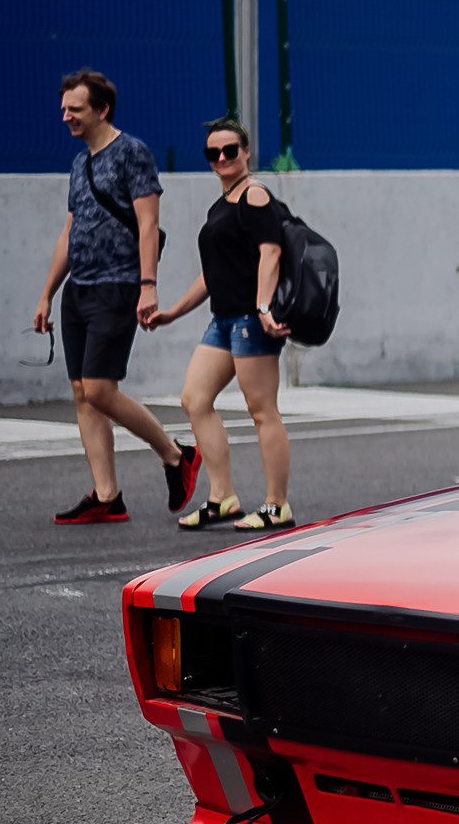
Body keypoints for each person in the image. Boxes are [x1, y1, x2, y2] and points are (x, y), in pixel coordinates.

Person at [31, 69, 197, 524]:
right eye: (64, 108)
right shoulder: (78, 163)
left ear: (102, 109)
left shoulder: (132, 153)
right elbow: (71, 230)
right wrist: (48, 292)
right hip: (79, 290)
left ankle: (175, 455)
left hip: (119, 284)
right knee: (83, 393)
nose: (65, 116)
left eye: (75, 109)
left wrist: (148, 284)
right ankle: (107, 495)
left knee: (101, 389)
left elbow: (147, 223)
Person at [149, 118, 297, 531]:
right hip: (224, 319)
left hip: (253, 319)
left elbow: (271, 254)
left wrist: (265, 307)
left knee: (261, 409)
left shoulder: (254, 195)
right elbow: (212, 274)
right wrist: (173, 312)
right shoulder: (222, 204)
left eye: (230, 150)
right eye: (212, 153)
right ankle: (222, 498)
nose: (221, 159)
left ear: (246, 152)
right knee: (194, 399)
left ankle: (276, 505)